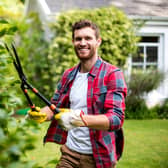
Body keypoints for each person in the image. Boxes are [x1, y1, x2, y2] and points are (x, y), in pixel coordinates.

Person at [28, 19, 127, 168]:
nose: (82, 43)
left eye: (88, 38)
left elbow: (115, 119)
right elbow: (54, 107)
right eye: (78, 39)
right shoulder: (68, 75)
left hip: (98, 157)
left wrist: (78, 120)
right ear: (73, 42)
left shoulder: (112, 74)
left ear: (98, 41)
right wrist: (42, 114)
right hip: (69, 153)